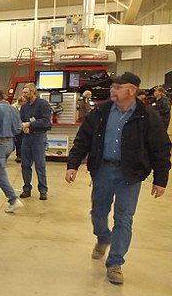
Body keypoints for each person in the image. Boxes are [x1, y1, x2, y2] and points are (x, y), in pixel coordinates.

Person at [66, 72, 171, 285]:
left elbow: (160, 149)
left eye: (117, 87)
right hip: (103, 171)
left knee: (124, 218)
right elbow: (83, 139)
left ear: (131, 90)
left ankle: (115, 263)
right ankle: (103, 237)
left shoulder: (147, 116)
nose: (112, 91)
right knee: (98, 212)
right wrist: (73, 164)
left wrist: (161, 179)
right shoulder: (101, 112)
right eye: (112, 87)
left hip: (129, 175)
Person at [19, 83, 52, 200]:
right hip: (26, 138)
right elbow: (21, 120)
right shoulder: (24, 107)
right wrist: (24, 127)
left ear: (33, 92)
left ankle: (43, 190)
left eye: (26, 93)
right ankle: (26, 189)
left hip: (38, 137)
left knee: (40, 165)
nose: (23, 95)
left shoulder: (43, 105)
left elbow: (46, 122)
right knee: (25, 165)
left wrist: (30, 125)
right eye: (23, 93)